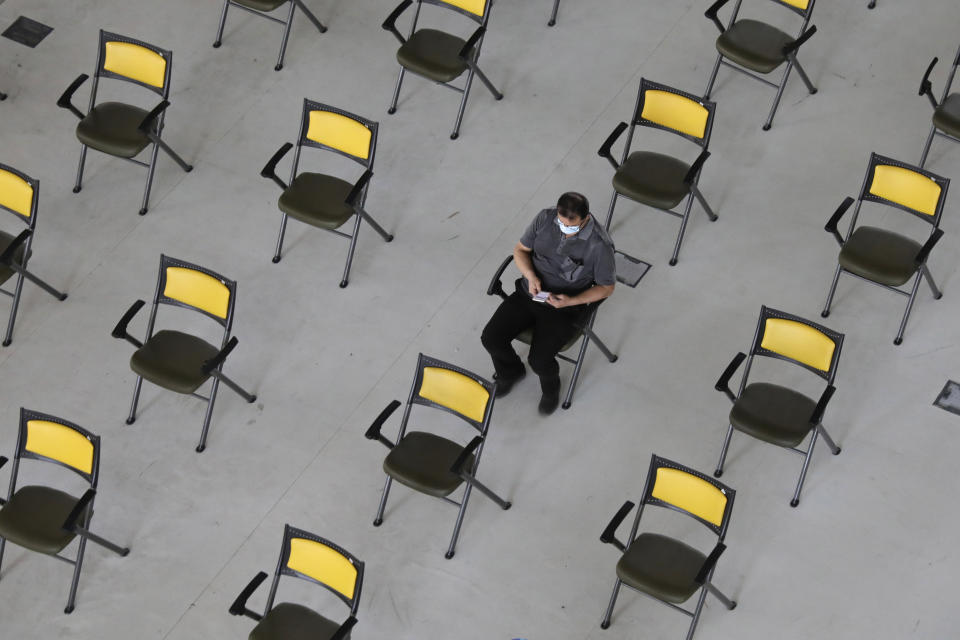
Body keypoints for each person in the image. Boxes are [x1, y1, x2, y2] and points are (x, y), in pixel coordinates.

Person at [481, 192, 616, 415]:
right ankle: (510, 372)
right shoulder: (545, 219)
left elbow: (606, 287)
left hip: (563, 307)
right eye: (561, 223)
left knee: (539, 360)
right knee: (491, 337)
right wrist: (531, 276)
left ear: (585, 218)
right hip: (531, 292)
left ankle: (550, 389)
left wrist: (572, 301)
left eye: (571, 226)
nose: (565, 230)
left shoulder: (599, 246)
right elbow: (521, 250)